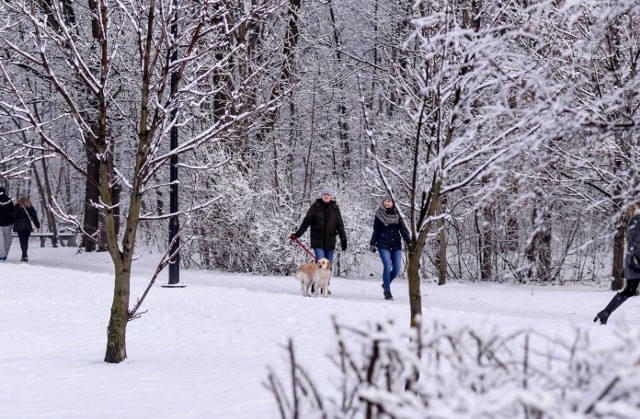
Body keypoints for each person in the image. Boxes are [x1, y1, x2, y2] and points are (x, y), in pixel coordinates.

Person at [594, 203, 640, 325]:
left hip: (635, 260)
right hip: (636, 260)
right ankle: (606, 312)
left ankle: (605, 313)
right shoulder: (637, 219)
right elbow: (635, 243)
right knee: (629, 291)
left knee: (629, 291)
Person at [290, 187, 347, 267]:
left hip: (330, 241)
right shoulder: (315, 207)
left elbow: (340, 225)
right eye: (324, 194)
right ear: (321, 196)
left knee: (328, 267)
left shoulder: (335, 209)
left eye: (328, 194)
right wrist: (297, 234)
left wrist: (343, 239)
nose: (326, 196)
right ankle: (318, 279)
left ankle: (326, 280)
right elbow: (306, 221)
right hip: (317, 241)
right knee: (321, 265)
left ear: (331, 196)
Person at [369, 195, 410, 300]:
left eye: (389, 201)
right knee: (387, 266)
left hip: (396, 244)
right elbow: (376, 230)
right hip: (383, 244)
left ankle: (385, 283)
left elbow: (403, 230)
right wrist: (372, 243)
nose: (387, 203)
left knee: (396, 269)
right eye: (385, 201)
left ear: (393, 203)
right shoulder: (379, 215)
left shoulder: (398, 215)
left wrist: (409, 242)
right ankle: (387, 291)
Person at [13, 196, 40, 262]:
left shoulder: (17, 206)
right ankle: (25, 255)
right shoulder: (30, 206)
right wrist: (37, 224)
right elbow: (34, 216)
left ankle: (24, 255)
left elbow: (14, 215)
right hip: (28, 226)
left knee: (22, 241)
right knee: (26, 240)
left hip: (19, 226)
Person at [0, 186, 15, 261]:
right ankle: (4, 254)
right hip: (8, 223)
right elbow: (13, 212)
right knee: (8, 240)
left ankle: (2, 255)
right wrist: (12, 221)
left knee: (1, 240)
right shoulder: (9, 201)